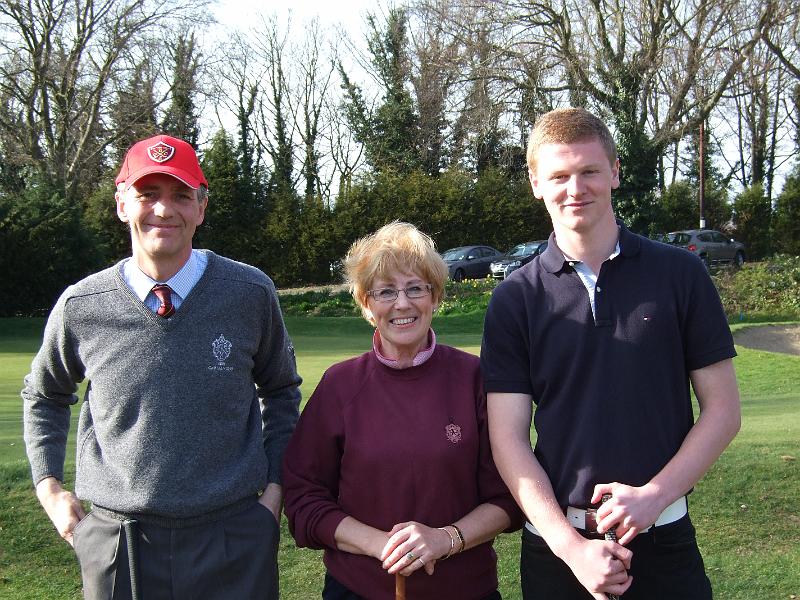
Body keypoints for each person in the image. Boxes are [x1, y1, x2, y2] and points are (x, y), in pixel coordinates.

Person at [22, 134, 301, 600]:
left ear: (201, 208)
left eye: (180, 196)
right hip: (118, 541)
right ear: (121, 204)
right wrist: (49, 487)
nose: (163, 210)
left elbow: (281, 392)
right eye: (147, 194)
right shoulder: (82, 305)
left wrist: (274, 492)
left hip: (233, 535)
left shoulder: (250, 292)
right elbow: (45, 395)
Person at [481, 108, 741, 600]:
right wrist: (572, 549)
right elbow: (507, 440)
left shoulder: (680, 276)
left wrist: (653, 497)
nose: (575, 188)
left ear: (615, 172)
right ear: (536, 182)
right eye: (559, 175)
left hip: (663, 540)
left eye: (589, 171)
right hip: (558, 551)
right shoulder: (515, 298)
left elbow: (724, 412)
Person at [282, 222, 522, 600]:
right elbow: (303, 496)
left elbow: (509, 495)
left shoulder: (473, 377)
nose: (402, 303)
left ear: (435, 297)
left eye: (415, 288)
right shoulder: (339, 385)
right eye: (385, 292)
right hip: (358, 589)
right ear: (366, 304)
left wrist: (445, 539)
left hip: (466, 590)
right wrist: (381, 545)